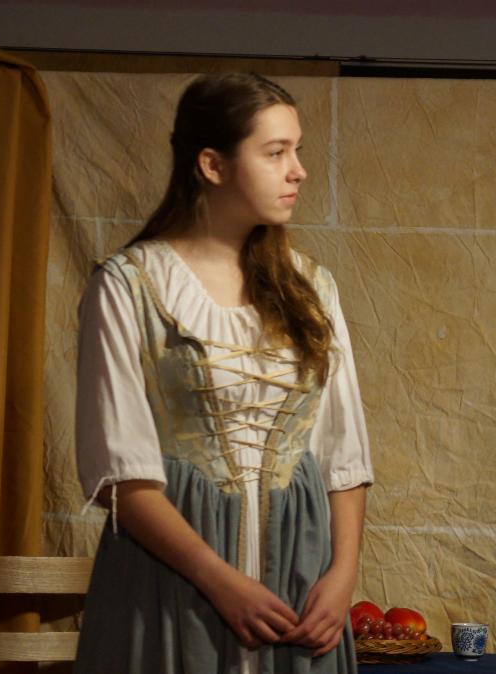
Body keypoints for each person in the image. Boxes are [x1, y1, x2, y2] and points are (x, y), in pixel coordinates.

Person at [74, 73, 372, 673]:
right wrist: (219, 580)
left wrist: (342, 576)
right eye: (276, 152)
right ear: (212, 165)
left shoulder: (311, 288)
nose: (298, 171)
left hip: (299, 576)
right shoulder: (130, 287)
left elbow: (343, 456)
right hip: (175, 581)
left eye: (298, 150)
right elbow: (120, 475)